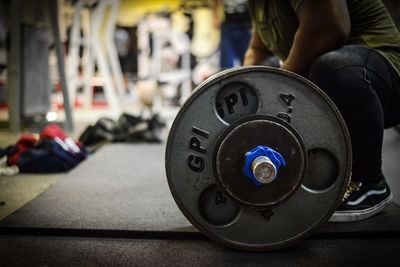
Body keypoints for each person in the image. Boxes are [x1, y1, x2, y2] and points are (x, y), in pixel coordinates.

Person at [244, 0, 400, 222]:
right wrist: (245, 98)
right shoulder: (258, 4)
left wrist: (278, 89)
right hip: (328, 85)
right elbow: (257, 51)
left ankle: (369, 182)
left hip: (380, 76)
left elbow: (327, 28)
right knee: (263, 73)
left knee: (332, 67)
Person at [212, 0, 252, 69]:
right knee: (226, 61)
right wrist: (215, 16)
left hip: (247, 25)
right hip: (228, 24)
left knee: (247, 59)